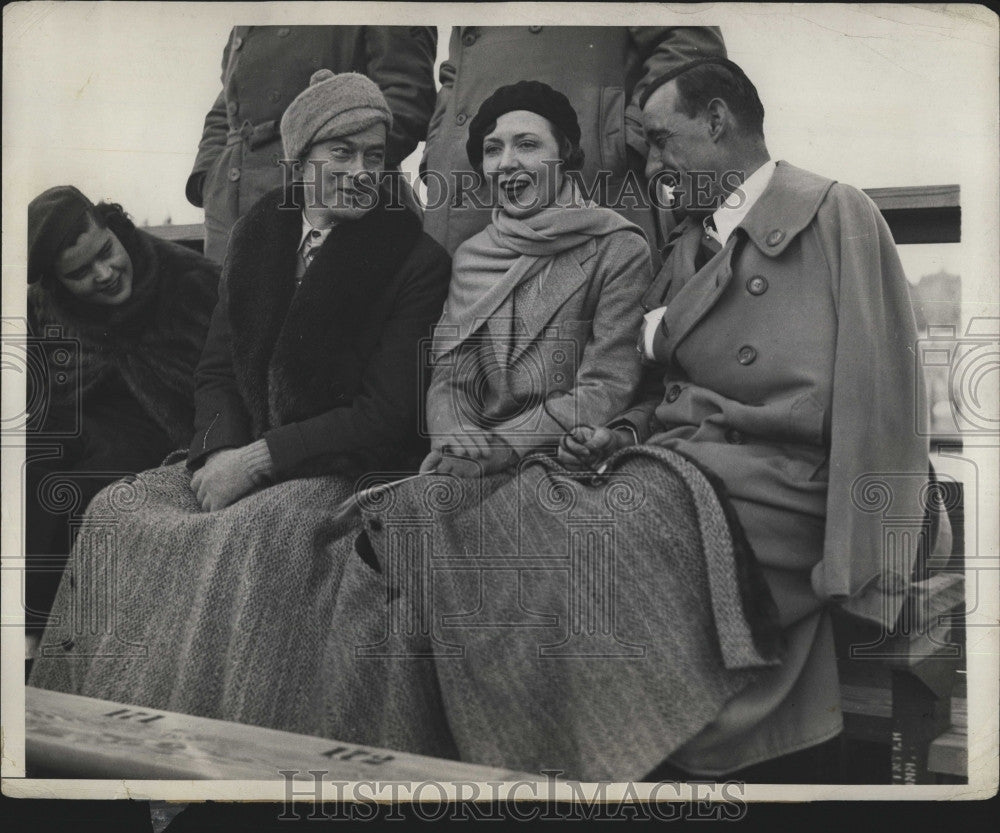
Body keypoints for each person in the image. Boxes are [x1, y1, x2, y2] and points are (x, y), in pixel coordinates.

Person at [29, 71, 452, 723]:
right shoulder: (260, 236)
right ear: (299, 156)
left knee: (246, 535)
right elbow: (216, 368)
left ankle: (210, 732)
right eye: (340, 153)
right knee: (116, 507)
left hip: (344, 468)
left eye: (373, 156)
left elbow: (387, 414)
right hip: (244, 449)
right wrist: (213, 453)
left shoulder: (415, 261)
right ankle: (76, 721)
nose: (361, 171)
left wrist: (256, 460)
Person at [559, 57, 938, 782]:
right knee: (548, 516)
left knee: (606, 543)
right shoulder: (687, 249)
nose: (658, 165)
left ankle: (614, 759)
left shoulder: (833, 213)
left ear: (718, 121)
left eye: (665, 141)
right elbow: (662, 388)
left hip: (790, 492)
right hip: (690, 474)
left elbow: (882, 396)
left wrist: (865, 566)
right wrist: (625, 433)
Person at [420, 81, 653, 479]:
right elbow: (450, 375)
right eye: (493, 149)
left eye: (527, 144)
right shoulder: (471, 257)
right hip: (476, 456)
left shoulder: (618, 248)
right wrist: (451, 430)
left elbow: (607, 386)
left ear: (564, 154)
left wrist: (506, 446)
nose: (507, 163)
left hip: (567, 460)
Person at [24, 186, 219, 640]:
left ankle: (44, 637)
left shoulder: (193, 281)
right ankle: (24, 630)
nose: (106, 272)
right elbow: (38, 395)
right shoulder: (45, 304)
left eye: (106, 251)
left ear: (113, 225)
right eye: (80, 272)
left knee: (73, 492)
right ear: (55, 281)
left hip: (164, 432)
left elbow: (232, 383)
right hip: (81, 420)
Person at [419, 26, 726, 263]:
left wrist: (626, 138)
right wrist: (438, 150)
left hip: (583, 181)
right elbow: (455, 70)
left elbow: (688, 40)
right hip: (462, 189)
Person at [187, 25, 437, 263]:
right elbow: (229, 104)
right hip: (229, 204)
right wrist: (208, 177)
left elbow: (407, 96)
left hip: (324, 204)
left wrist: (332, 176)